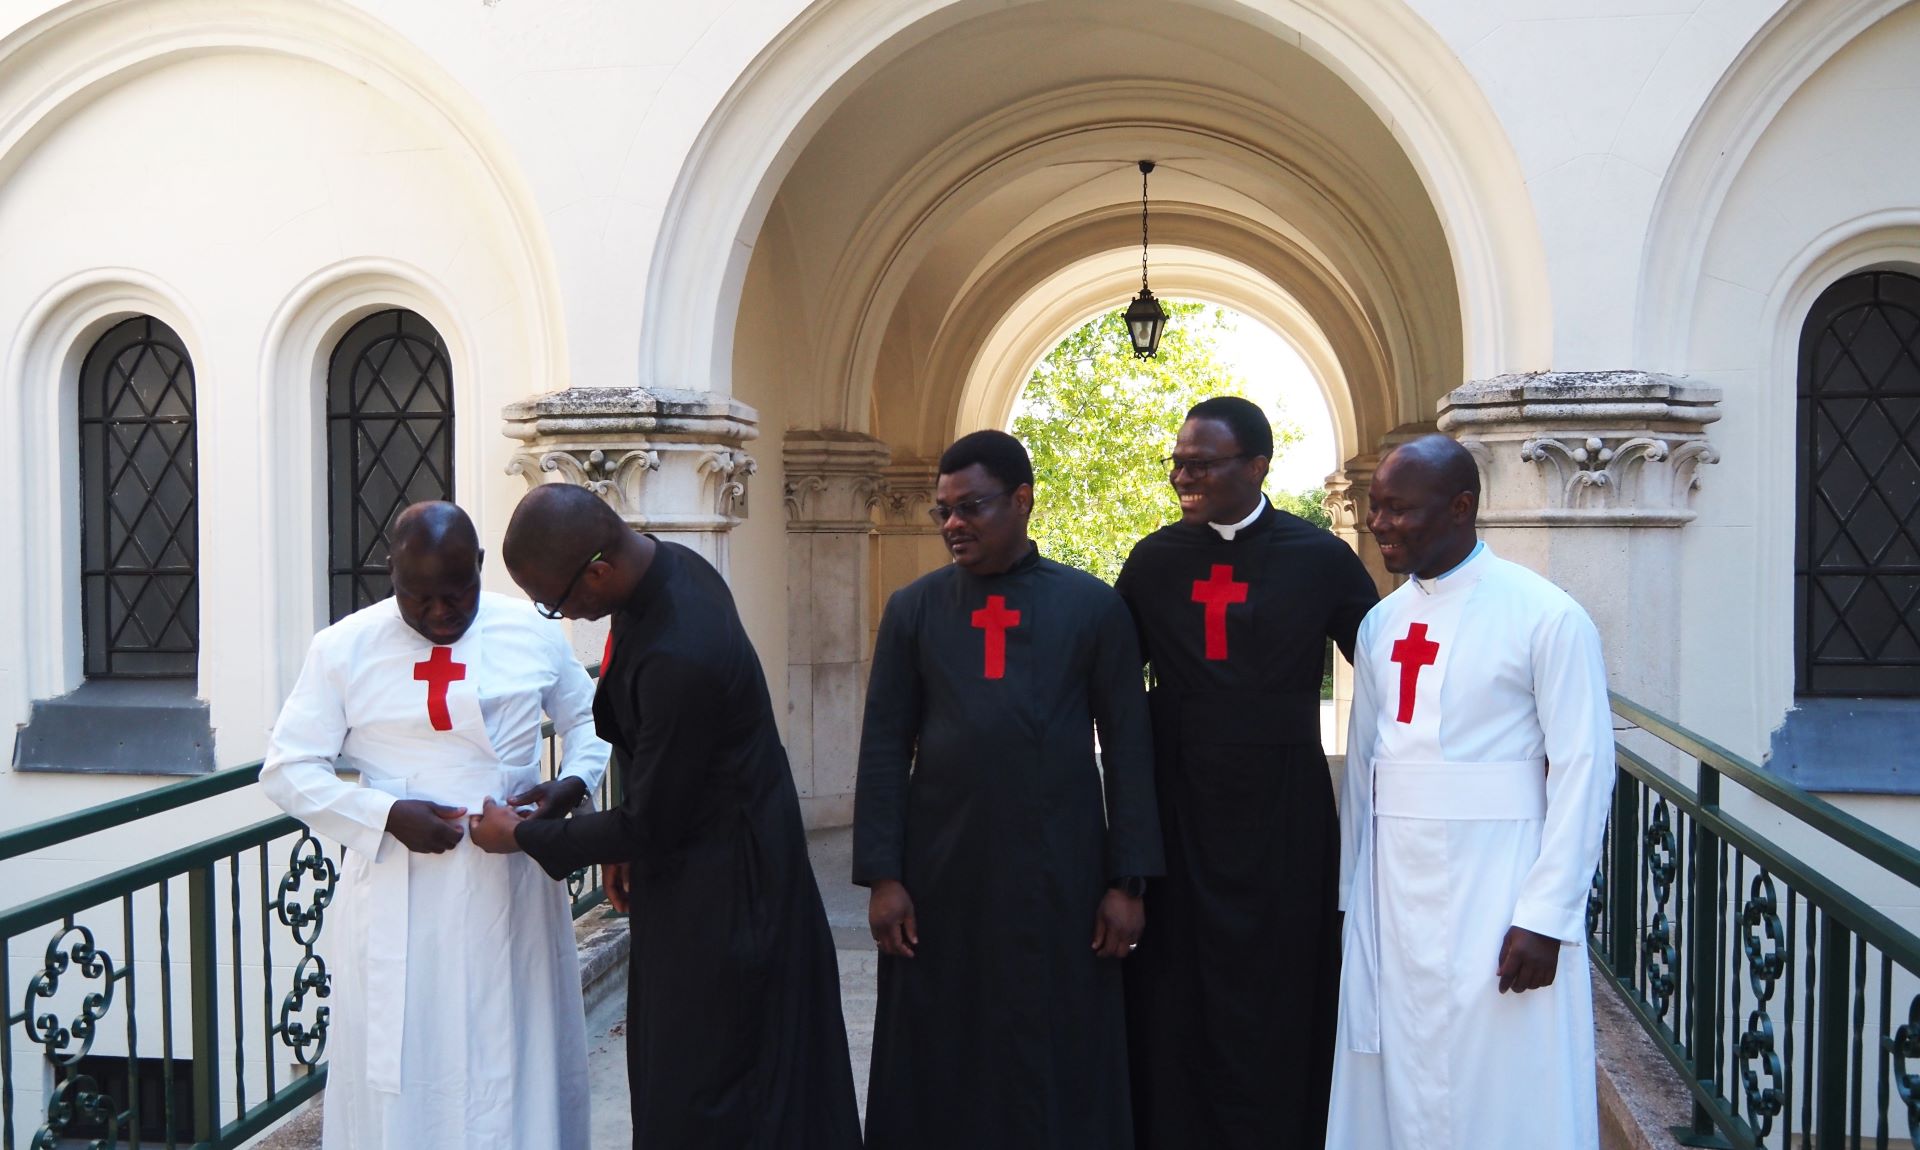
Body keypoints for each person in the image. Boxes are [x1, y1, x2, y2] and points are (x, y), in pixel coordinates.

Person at [467, 483, 862, 1150]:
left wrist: (525, 835)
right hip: (694, 873)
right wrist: (576, 798)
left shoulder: (682, 652)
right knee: (676, 1069)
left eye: (555, 601)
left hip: (732, 896)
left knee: (712, 1087)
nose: (561, 616)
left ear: (598, 571)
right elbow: (647, 744)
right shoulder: (669, 567)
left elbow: (653, 822)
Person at [260, 501, 608, 1150]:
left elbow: (589, 719)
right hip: (402, 891)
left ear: (479, 567)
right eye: (418, 597)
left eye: (457, 592)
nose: (441, 613)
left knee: (515, 1048)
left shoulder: (528, 630)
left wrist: (571, 784)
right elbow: (287, 768)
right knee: (410, 1062)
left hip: (512, 883)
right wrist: (386, 814)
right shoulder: (343, 648)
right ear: (390, 574)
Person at [853, 430, 1165, 1149]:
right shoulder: (914, 609)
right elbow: (883, 746)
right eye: (942, 510)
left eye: (971, 507)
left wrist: (1130, 882)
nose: (953, 524)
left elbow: (1129, 751)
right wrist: (883, 876)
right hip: (941, 873)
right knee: (943, 1041)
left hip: (1062, 873)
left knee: (1053, 1041)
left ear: (1022, 500)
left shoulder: (1091, 607)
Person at [1327, 434, 1614, 1149]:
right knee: (1401, 1064)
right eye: (1375, 507)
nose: (1379, 523)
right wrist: (1352, 900)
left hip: (1499, 886)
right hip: (1393, 893)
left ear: (1460, 507)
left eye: (1398, 509)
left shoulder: (1546, 616)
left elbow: (1583, 768)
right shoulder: (1381, 624)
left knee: (1503, 1072)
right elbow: (1365, 773)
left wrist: (1546, 916)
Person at [1113, 395, 1378, 1148]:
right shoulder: (1154, 560)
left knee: (1282, 975)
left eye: (1201, 465)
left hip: (1284, 808)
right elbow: (1111, 684)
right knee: (1179, 978)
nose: (1182, 477)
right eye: (1177, 464)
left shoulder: (1319, 557)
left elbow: (1390, 665)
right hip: (1179, 804)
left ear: (1257, 465)